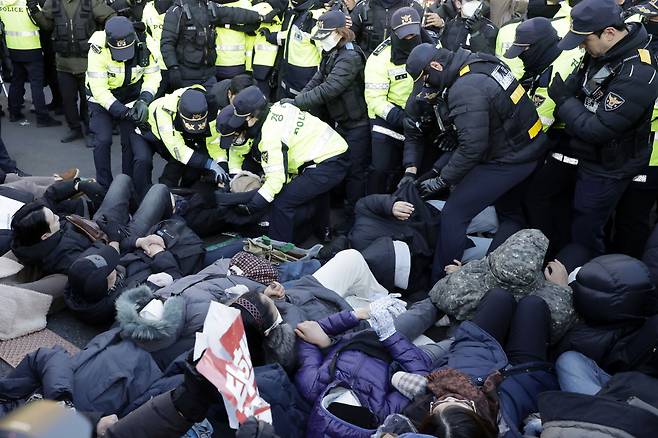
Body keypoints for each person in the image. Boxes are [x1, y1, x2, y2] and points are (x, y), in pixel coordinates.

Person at [405, 43, 547, 283]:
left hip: (509, 159)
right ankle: (496, 275)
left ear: (437, 65)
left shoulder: (465, 88)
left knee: (454, 213)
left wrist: (442, 179)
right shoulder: (481, 61)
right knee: (510, 214)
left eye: (427, 77)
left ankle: (442, 284)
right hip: (529, 147)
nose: (427, 84)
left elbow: (471, 149)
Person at [547, 0, 658, 257]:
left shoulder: (637, 72)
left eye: (585, 41)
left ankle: (588, 273)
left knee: (587, 226)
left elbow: (598, 129)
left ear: (609, 32)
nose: (583, 47)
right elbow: (584, 82)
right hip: (591, 156)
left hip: (609, 165)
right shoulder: (606, 51)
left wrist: (564, 101)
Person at [394, 288, 559, 437]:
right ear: (478, 421)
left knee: (499, 296)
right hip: (521, 371)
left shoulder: (417, 413)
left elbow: (403, 376)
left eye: (440, 402)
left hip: (476, 349)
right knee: (533, 305)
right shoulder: (504, 428)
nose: (450, 398)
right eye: (462, 403)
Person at [219, 86, 349, 243]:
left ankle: (278, 252)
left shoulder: (269, 136)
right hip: (333, 150)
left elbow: (276, 180)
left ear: (254, 115)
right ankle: (323, 232)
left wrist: (252, 206)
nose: (244, 123)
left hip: (328, 162)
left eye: (244, 119)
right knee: (317, 192)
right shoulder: (278, 107)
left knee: (282, 203)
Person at [502, 18, 583, 256]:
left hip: (568, 145)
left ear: (538, 46)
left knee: (537, 198)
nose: (520, 57)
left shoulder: (556, 70)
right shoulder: (553, 58)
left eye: (523, 51)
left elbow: (538, 125)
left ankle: (544, 254)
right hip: (565, 141)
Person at [287, 10, 369, 231]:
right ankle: (334, 214)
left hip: (358, 124)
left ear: (339, 33)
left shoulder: (350, 57)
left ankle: (353, 221)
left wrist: (297, 103)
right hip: (341, 122)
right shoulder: (331, 53)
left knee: (355, 174)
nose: (321, 40)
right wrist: (296, 100)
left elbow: (329, 89)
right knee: (338, 168)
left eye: (325, 35)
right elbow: (317, 79)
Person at [86, 16, 161, 189]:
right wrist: (123, 112)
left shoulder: (147, 44)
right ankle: (104, 186)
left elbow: (153, 75)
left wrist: (145, 99)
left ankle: (126, 184)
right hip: (101, 98)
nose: (123, 58)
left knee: (129, 141)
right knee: (103, 140)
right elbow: (99, 90)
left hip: (131, 95)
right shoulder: (98, 48)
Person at [29, 0, 116, 144]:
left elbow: (111, 16)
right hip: (63, 63)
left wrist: (103, 38)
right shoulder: (53, 2)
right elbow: (47, 25)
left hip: (88, 63)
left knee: (88, 101)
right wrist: (35, 11)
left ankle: (90, 130)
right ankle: (75, 128)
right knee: (68, 100)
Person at [364, 7, 428, 194]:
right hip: (388, 118)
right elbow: (374, 100)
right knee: (380, 169)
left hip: (421, 114)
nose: (410, 39)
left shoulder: (433, 45)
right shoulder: (380, 58)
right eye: (404, 36)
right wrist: (400, 118)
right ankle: (372, 205)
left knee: (415, 170)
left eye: (413, 35)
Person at [130, 86, 231, 199]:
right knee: (143, 160)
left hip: (178, 137)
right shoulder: (164, 111)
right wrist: (210, 164)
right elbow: (178, 150)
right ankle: (146, 199)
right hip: (147, 133)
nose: (195, 126)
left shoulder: (212, 111)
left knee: (190, 166)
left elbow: (214, 143)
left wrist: (222, 166)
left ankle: (184, 198)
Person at [160, 0, 269, 91]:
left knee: (212, 112)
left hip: (209, 75)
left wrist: (259, 17)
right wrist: (173, 68)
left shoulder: (208, 7)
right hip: (186, 76)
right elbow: (167, 43)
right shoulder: (176, 11)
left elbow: (233, 13)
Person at [1, 0, 61, 127]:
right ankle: (42, 117)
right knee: (36, 84)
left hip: (13, 46)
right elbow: (44, 24)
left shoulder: (3, 2)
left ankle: (14, 112)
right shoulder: (29, 2)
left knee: (16, 81)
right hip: (32, 47)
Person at [350, 0, 439, 57]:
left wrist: (441, 25)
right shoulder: (363, 7)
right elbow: (349, 37)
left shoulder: (413, 7)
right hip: (367, 64)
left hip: (403, 65)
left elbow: (430, 40)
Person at [141, 0, 173, 96]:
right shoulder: (148, 8)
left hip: (175, 64)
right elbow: (145, 33)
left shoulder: (179, 7)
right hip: (157, 64)